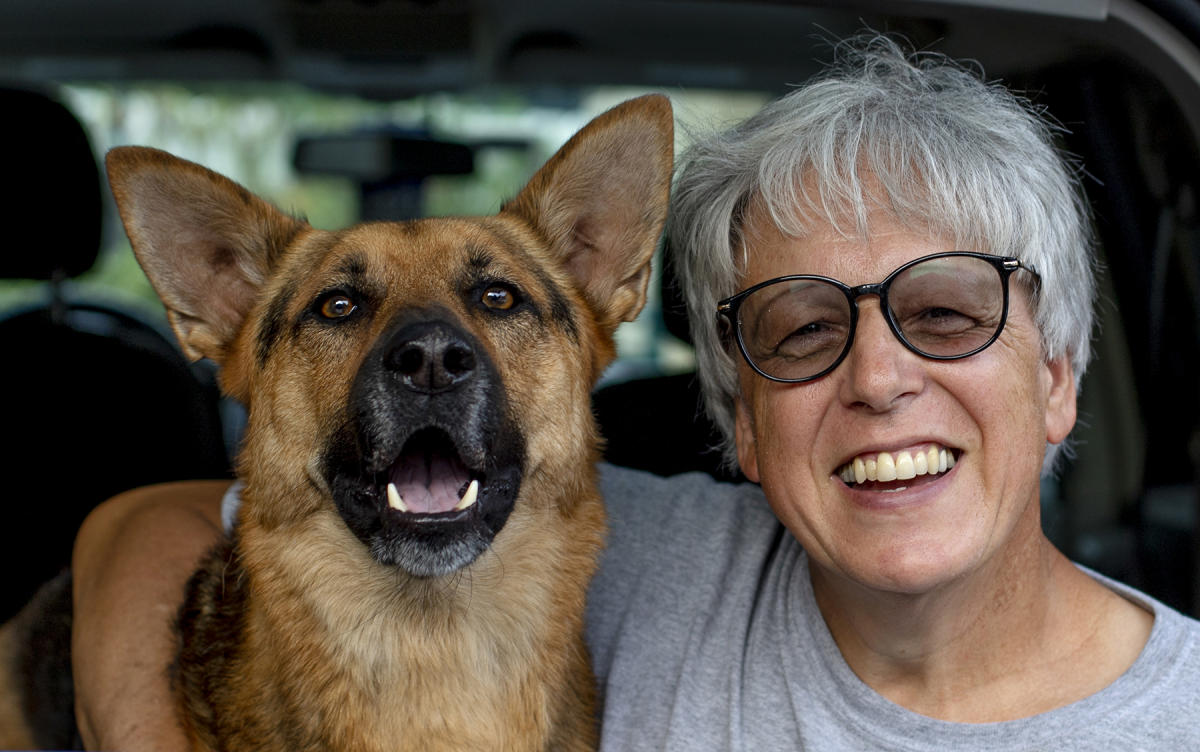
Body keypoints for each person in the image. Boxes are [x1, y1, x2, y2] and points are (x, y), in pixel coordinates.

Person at [70, 34, 1200, 750]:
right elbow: (144, 524)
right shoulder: (627, 551)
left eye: (947, 313)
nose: (880, 375)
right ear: (741, 422)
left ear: (1057, 375)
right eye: (802, 327)